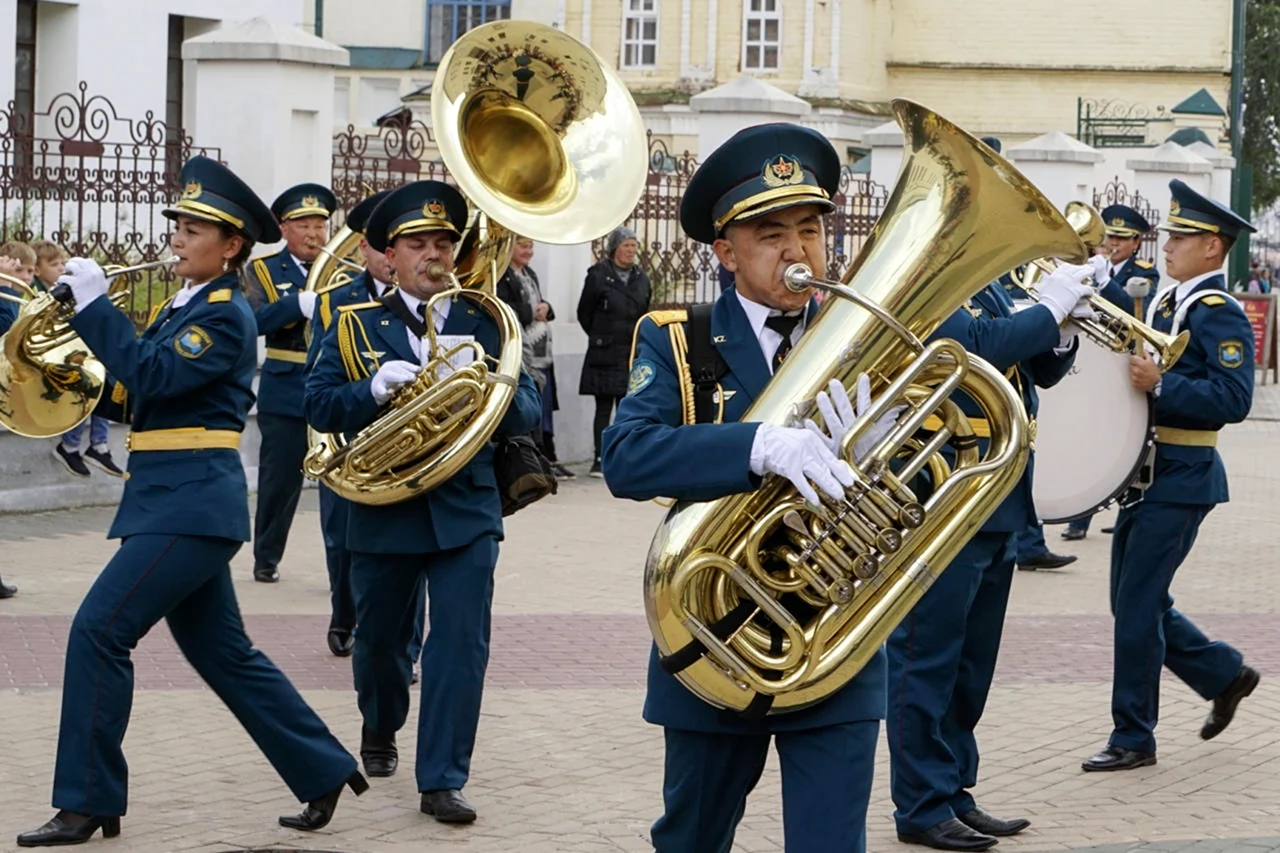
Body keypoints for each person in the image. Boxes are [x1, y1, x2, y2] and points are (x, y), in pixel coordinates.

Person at [15, 156, 366, 848]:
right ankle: (322, 767)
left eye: (194, 226)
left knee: (98, 631)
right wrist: (64, 371)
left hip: (190, 507)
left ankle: (86, 800)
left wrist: (95, 308)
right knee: (225, 654)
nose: (176, 235)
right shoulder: (185, 307)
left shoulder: (227, 315)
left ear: (232, 245)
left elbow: (154, 371)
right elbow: (140, 393)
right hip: (172, 501)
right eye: (177, 222)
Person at [603, 124, 901, 853]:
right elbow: (626, 457)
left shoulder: (867, 340)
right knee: (692, 839)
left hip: (834, 639)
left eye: (810, 228)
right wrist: (757, 444)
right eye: (770, 234)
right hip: (715, 633)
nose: (797, 250)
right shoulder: (678, 337)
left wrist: (889, 448)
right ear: (725, 252)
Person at [305, 180, 541, 823]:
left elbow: (531, 408)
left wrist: (487, 385)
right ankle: (379, 725)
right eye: (418, 244)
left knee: (461, 643)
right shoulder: (353, 324)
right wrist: (372, 390)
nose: (433, 253)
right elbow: (318, 405)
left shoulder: (486, 320)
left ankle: (441, 779)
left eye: (443, 242)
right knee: (381, 645)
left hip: (465, 508)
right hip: (384, 510)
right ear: (388, 253)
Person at [888, 266, 1094, 851]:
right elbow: (972, 347)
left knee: (971, 666)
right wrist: (1046, 311)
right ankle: (921, 803)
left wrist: (1063, 327)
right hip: (945, 493)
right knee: (925, 659)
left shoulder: (991, 284)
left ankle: (954, 792)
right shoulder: (926, 276)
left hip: (998, 495)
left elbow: (1039, 369)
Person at [1080, 180, 1258, 773]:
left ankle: (1134, 736)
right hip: (1145, 475)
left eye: (1182, 237)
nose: (1170, 246)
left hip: (1184, 474)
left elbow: (1233, 399)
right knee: (1131, 602)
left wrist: (1162, 383)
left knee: (1137, 607)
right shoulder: (1164, 301)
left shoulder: (1220, 313)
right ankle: (1223, 674)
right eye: (1171, 235)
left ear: (1214, 247)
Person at [307, 188, 395, 657]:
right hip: (349, 443)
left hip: (405, 449)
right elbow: (317, 387)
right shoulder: (334, 303)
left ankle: (403, 645)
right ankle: (345, 615)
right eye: (382, 245)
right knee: (343, 542)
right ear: (364, 247)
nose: (391, 256)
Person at [246, 182, 336, 583]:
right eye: (305, 225)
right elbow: (251, 323)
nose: (315, 234)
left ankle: (342, 567)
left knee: (339, 482)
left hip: (334, 386)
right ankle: (266, 558)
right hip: (286, 387)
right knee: (279, 480)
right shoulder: (263, 270)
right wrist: (293, 305)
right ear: (285, 230)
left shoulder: (341, 270)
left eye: (321, 225)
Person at [1063, 204, 1161, 542]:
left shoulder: (1144, 272)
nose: (1113, 244)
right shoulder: (1088, 264)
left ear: (1136, 242)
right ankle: (1080, 516)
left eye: (1121, 239)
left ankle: (1123, 505)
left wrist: (1105, 281)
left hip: (1126, 364)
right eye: (1109, 238)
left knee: (1124, 438)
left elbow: (1139, 312)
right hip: (1091, 361)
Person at [27, 240, 126, 479]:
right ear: (38, 271)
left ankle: (98, 445)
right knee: (85, 380)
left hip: (67, 355)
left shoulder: (66, 292)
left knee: (103, 375)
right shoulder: (38, 294)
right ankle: (70, 446)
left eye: (62, 262)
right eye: (53, 264)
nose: (61, 268)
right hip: (49, 362)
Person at [496, 237, 573, 479]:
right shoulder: (503, 275)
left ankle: (548, 455)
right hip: (523, 354)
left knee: (545, 408)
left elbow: (540, 303)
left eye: (531, 246)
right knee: (530, 406)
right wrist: (532, 312)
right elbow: (505, 310)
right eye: (523, 246)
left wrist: (547, 308)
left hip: (542, 356)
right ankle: (533, 458)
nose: (528, 251)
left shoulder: (530, 273)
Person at [578, 225, 650, 477]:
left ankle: (624, 457)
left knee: (628, 407)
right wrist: (601, 335)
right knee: (603, 407)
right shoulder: (598, 275)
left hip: (631, 351)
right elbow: (584, 313)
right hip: (605, 351)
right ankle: (600, 458)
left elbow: (645, 312)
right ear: (614, 249)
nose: (631, 250)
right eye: (626, 245)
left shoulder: (641, 278)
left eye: (634, 246)